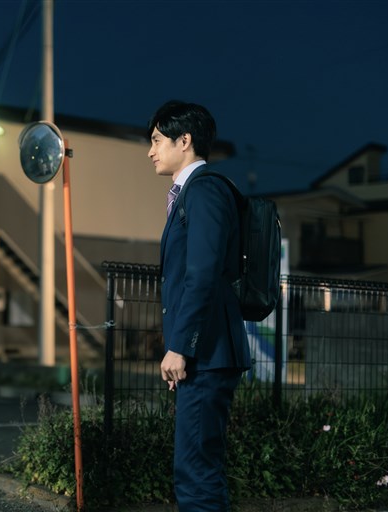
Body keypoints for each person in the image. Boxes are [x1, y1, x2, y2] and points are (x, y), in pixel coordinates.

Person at [149, 101, 251, 511]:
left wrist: (180, 346)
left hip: (207, 353)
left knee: (196, 473)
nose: (151, 151)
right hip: (205, 353)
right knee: (197, 468)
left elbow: (203, 274)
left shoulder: (205, 189)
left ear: (184, 140)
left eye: (157, 140)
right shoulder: (192, 192)